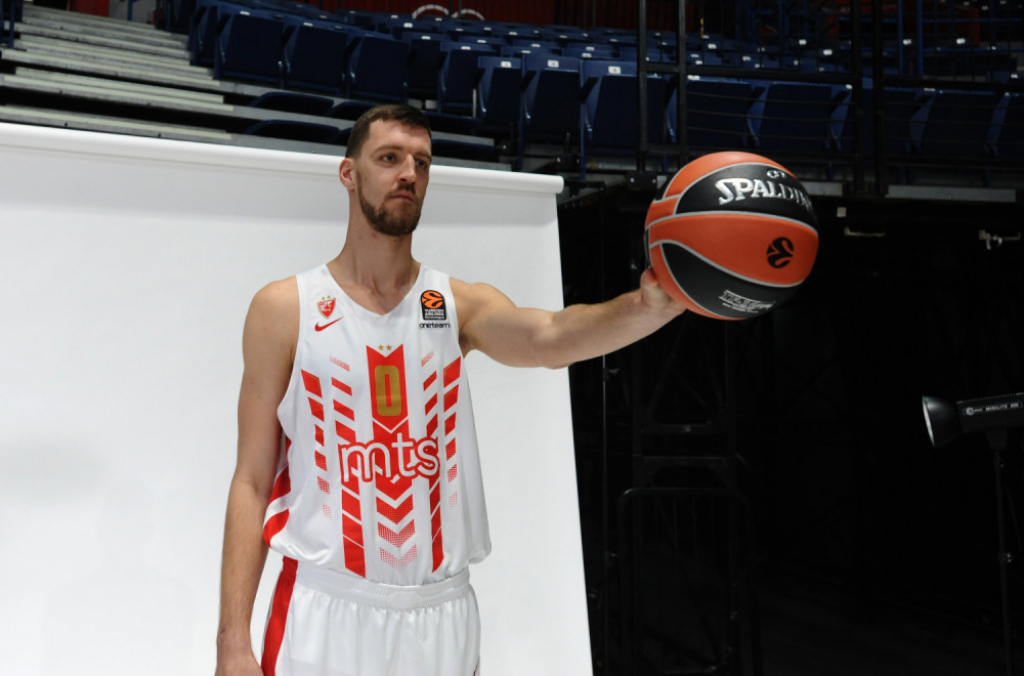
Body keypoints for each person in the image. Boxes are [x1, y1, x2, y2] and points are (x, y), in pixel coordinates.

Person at [215, 104, 685, 676]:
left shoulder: (457, 305)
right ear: (348, 173)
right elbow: (252, 480)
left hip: (441, 614)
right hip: (323, 607)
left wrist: (649, 307)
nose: (408, 173)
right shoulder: (285, 308)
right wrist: (232, 641)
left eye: (421, 162)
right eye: (389, 158)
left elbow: (550, 337)